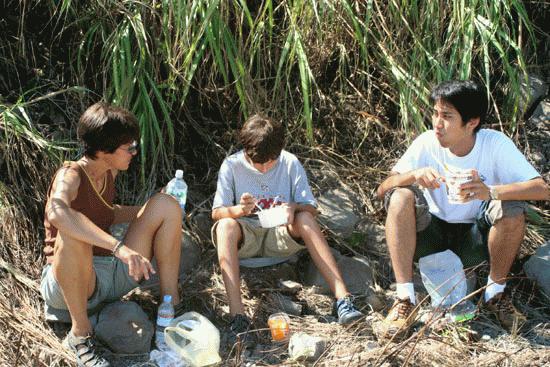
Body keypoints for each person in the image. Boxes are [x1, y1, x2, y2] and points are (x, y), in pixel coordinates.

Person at [376, 80, 549, 338]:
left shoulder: (494, 144)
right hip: (429, 238)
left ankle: (495, 293)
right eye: (435, 113)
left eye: (447, 116)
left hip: (474, 242)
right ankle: (404, 299)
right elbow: (383, 188)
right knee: (400, 196)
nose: (437, 123)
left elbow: (542, 189)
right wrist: (413, 175)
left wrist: (490, 191)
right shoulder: (426, 143)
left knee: (511, 207)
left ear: (472, 122)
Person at [40, 103, 183, 366]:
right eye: (129, 147)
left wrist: (150, 211)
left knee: (166, 204)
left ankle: (169, 310)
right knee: (72, 233)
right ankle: (80, 334)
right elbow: (57, 213)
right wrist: (120, 247)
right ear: (105, 150)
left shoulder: (108, 172)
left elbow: (107, 212)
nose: (134, 152)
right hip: (69, 284)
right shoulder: (70, 175)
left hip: (107, 276)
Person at [211, 114, 364, 339]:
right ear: (245, 151)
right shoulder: (232, 165)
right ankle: (238, 316)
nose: (264, 169)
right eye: (257, 163)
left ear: (279, 152)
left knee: (305, 219)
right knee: (225, 226)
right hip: (246, 238)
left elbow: (311, 208)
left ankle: (343, 300)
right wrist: (240, 211)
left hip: (280, 236)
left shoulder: (289, 162)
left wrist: (293, 207)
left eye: (270, 162)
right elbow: (216, 213)